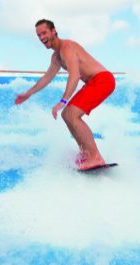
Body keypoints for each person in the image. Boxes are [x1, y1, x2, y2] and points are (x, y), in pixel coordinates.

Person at [15, 19, 115, 171]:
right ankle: (87, 154)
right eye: (38, 35)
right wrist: (28, 93)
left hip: (102, 80)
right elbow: (47, 78)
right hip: (94, 83)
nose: (41, 37)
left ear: (53, 31)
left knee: (71, 113)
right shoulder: (56, 57)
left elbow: (74, 74)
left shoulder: (66, 47)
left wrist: (63, 101)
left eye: (44, 33)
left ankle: (95, 157)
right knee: (68, 115)